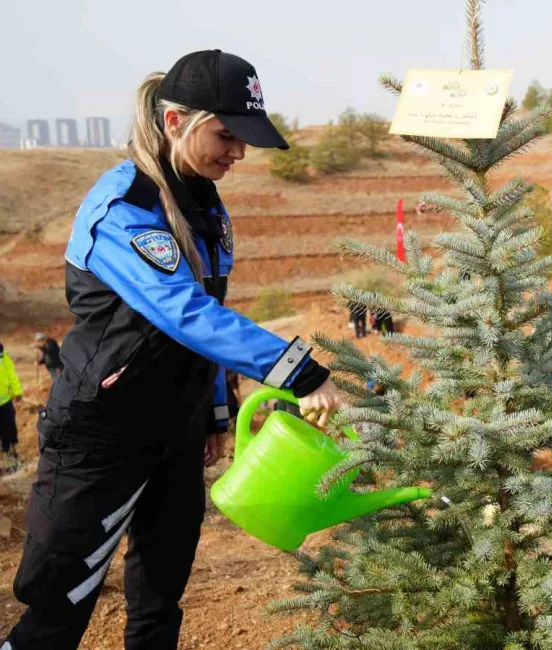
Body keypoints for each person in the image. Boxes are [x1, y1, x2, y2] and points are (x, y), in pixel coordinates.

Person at [5, 50, 345, 650]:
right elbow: (184, 315)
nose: (239, 153)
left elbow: (203, 322)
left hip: (177, 434)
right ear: (174, 122)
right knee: (57, 609)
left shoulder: (206, 205)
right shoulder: (126, 207)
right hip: (102, 434)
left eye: (246, 139)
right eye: (227, 134)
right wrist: (300, 371)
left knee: (160, 600)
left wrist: (213, 412)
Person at [0, 342, 23, 460]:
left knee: (9, 428)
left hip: (5, 401)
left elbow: (11, 374)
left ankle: (11, 452)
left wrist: (17, 391)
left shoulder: (3, 355)